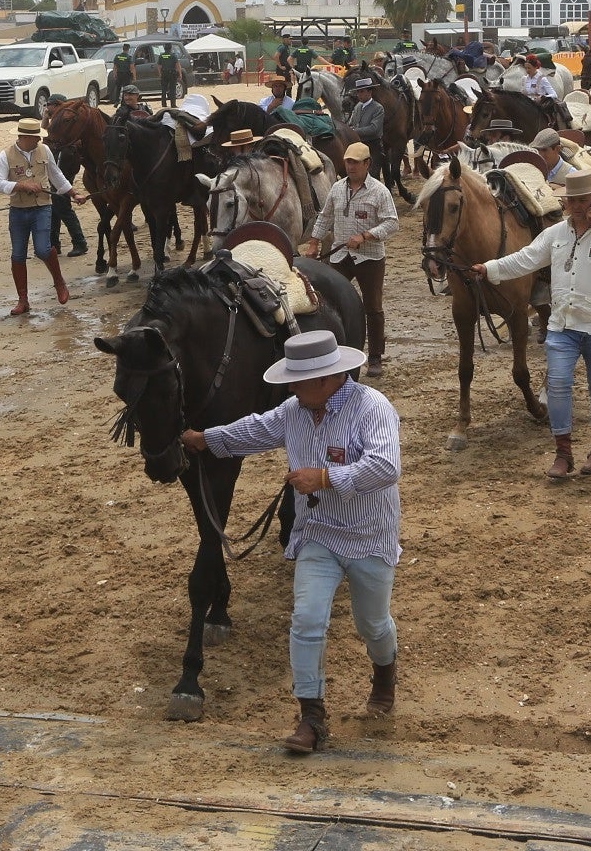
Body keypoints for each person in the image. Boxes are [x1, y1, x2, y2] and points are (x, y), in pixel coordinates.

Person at [180, 330, 401, 754]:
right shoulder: (295, 410)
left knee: (372, 624)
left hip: (369, 537)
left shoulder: (373, 407)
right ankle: (312, 717)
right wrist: (207, 439)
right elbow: (257, 430)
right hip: (317, 534)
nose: (290, 388)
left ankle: (385, 672)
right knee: (306, 620)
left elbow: (386, 467)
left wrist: (323, 478)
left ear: (326, 379)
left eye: (297, 381)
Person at [472, 169, 591, 477]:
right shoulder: (555, 235)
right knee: (559, 384)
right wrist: (490, 268)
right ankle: (563, 452)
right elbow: (525, 258)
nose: (576, 205)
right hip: (563, 325)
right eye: (571, 200)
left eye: (582, 200)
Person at [301, 143, 396, 374]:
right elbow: (325, 217)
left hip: (370, 258)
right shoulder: (336, 188)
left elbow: (392, 222)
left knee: (373, 307)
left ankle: (374, 358)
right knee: (328, 301)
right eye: (348, 162)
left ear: (367, 164)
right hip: (340, 254)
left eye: (355, 162)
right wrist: (314, 242)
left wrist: (366, 235)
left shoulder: (379, 191)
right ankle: (333, 351)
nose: (351, 166)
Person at [0, 118, 81, 315]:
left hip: (42, 207)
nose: (38, 141)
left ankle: (59, 282)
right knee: (17, 254)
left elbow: (56, 175)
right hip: (18, 209)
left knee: (42, 249)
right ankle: (23, 300)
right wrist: (21, 185)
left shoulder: (45, 151)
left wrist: (73, 193)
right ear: (23, 137)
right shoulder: (5, 155)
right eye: (35, 138)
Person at [347, 78, 385, 154]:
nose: (359, 95)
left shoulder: (378, 108)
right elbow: (351, 123)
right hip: (358, 144)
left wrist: (354, 131)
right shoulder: (358, 106)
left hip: (372, 146)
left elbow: (374, 129)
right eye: (357, 92)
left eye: (361, 91)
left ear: (370, 91)